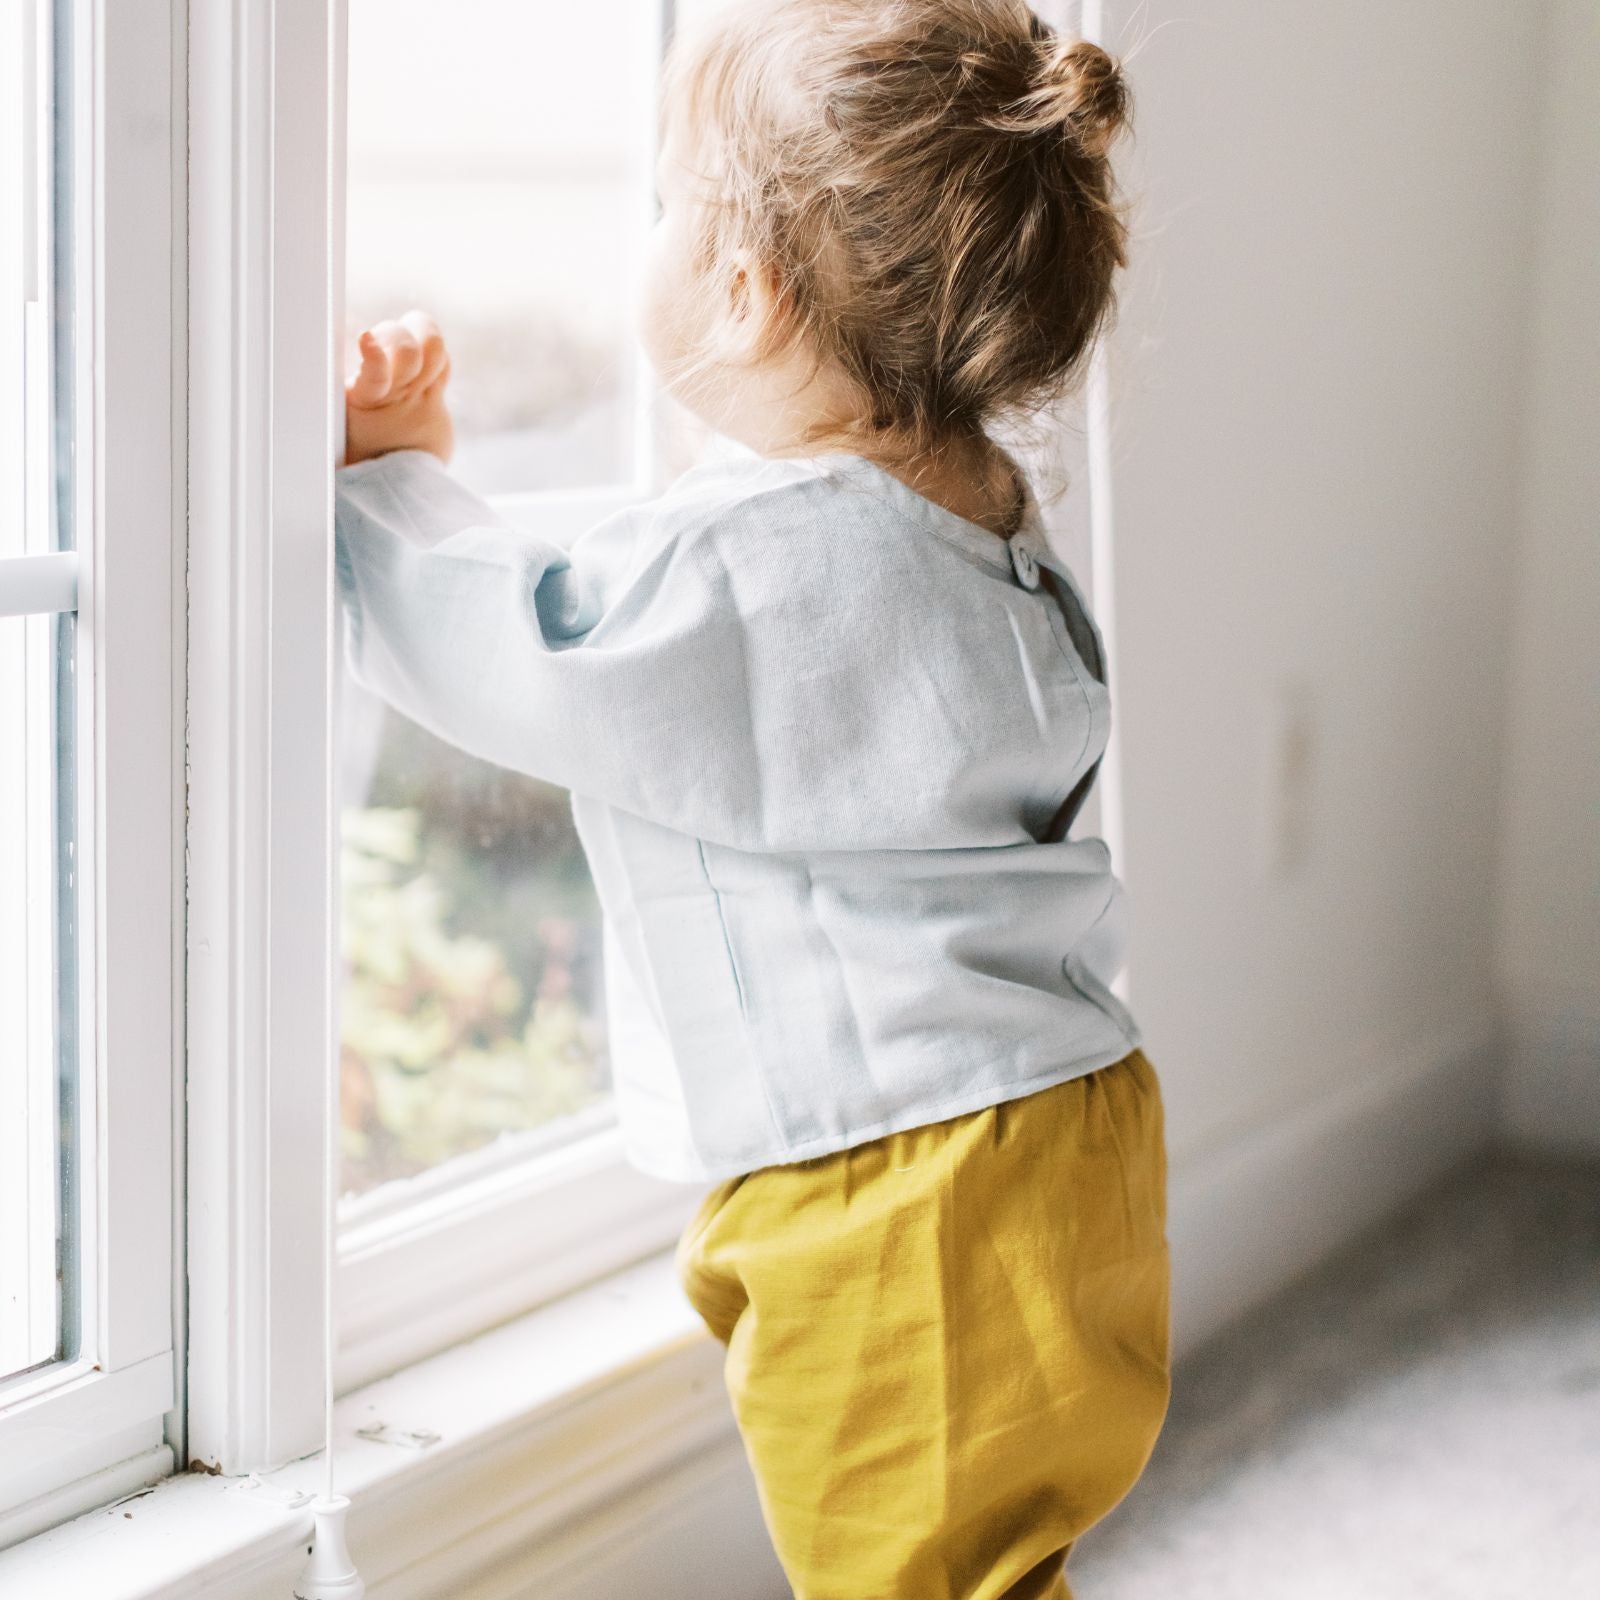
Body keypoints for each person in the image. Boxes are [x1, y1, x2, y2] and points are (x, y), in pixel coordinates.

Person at [333, 2, 1169, 1594]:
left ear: (745, 287)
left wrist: (386, 483)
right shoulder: (983, 519)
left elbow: (523, 647)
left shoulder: (767, 561)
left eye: (668, 202)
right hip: (1065, 1121)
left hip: (904, 1180)